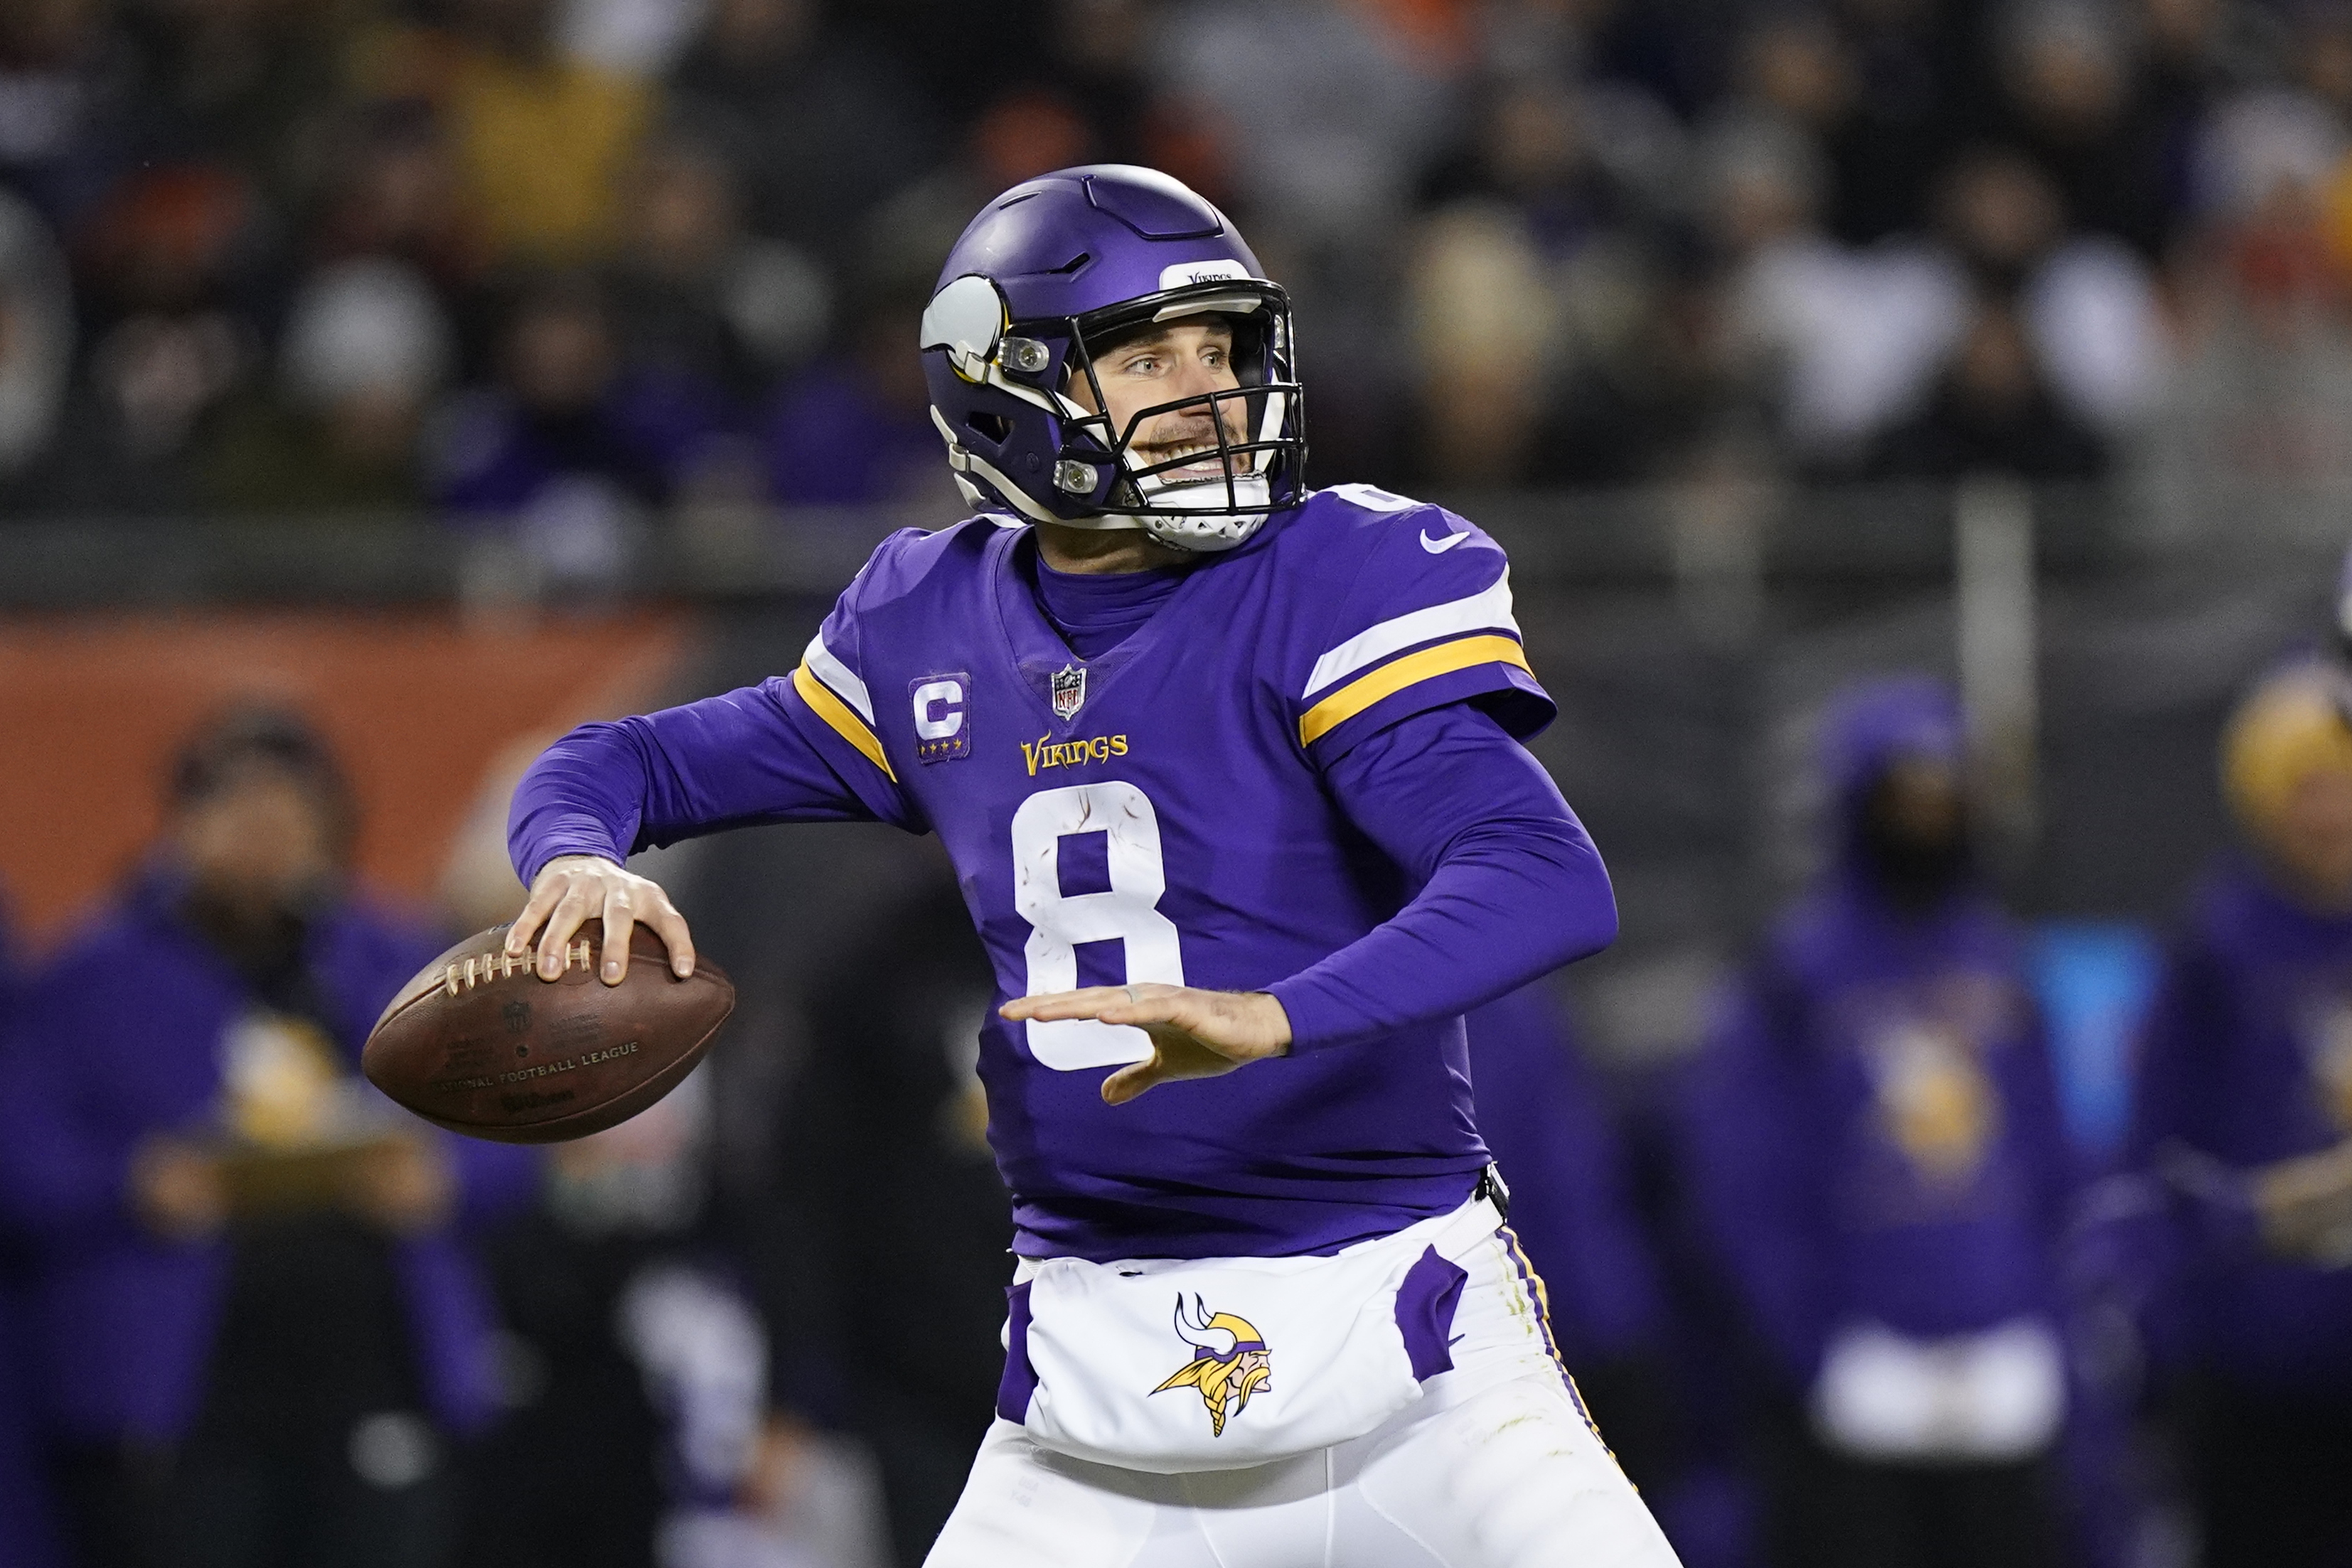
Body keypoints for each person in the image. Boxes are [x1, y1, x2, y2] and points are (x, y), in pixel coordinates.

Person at [503, 164, 1677, 1567]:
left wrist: (1279, 1010)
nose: (1211, 387)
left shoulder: (1335, 576)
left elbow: (1541, 869)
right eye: (1144, 353)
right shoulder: (925, 621)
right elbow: (616, 764)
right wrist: (578, 858)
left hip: (1407, 1356)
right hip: (1095, 1393)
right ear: (1006, 388)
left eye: (1223, 345)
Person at [0, 707, 533, 1568]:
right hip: (171, 1394)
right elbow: (19, 1153)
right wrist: (129, 1184)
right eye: (238, 815)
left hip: (373, 1372)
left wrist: (446, 1176)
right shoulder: (85, 979)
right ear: (181, 825)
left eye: (288, 818)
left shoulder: (397, 960)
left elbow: (513, 1124)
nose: (264, 842)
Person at [1677, 677, 2075, 1568]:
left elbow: (2052, 1160)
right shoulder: (1792, 975)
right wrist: (1813, 1349)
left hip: (2007, 1385)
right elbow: (1740, 1180)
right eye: (1904, 795)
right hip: (1855, 1394)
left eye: (1945, 796)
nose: (1927, 818)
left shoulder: (2001, 960)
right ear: (1860, 803)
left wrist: (2048, 1322)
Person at [2124, 660, 2352, 1566]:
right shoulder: (2216, 942)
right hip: (2257, 1355)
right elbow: (2159, 1139)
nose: (2326, 813)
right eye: (2305, 790)